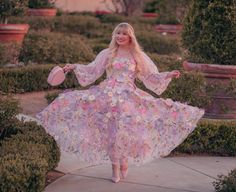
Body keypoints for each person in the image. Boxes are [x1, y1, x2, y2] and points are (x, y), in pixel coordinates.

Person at [36, 22, 204, 183]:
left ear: (130, 36)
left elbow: (150, 76)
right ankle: (115, 169)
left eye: (124, 33)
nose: (120, 36)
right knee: (110, 131)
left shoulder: (137, 55)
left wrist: (167, 75)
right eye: (118, 33)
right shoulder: (107, 53)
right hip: (107, 94)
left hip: (128, 95)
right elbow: (92, 70)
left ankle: (123, 159)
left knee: (124, 130)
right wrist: (74, 67)